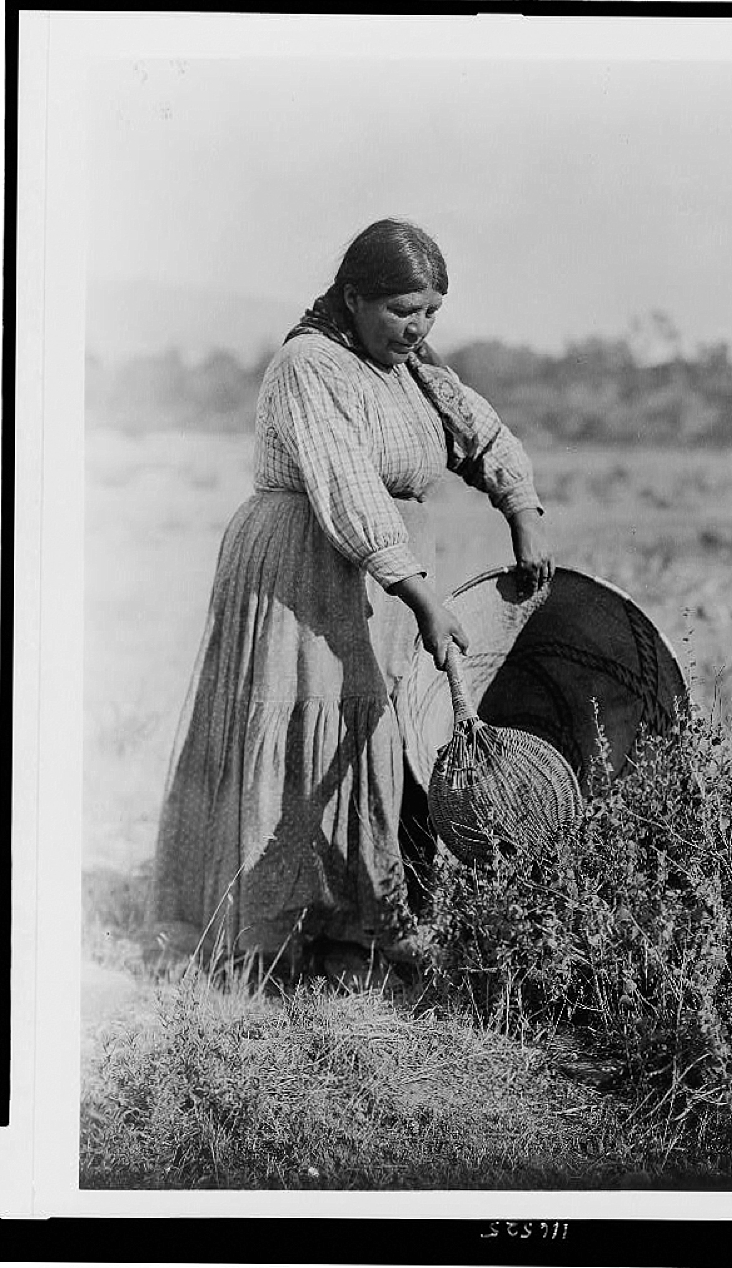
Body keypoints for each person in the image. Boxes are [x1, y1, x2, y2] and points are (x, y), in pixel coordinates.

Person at [147, 218, 552, 980]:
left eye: (432, 310)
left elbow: (482, 435)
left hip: (378, 572)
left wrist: (522, 514)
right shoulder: (311, 363)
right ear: (355, 297)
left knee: (366, 738)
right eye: (403, 309)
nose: (418, 326)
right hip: (304, 561)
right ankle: (266, 941)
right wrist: (424, 596)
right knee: (302, 723)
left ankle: (349, 930)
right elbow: (349, 487)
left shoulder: (413, 370)